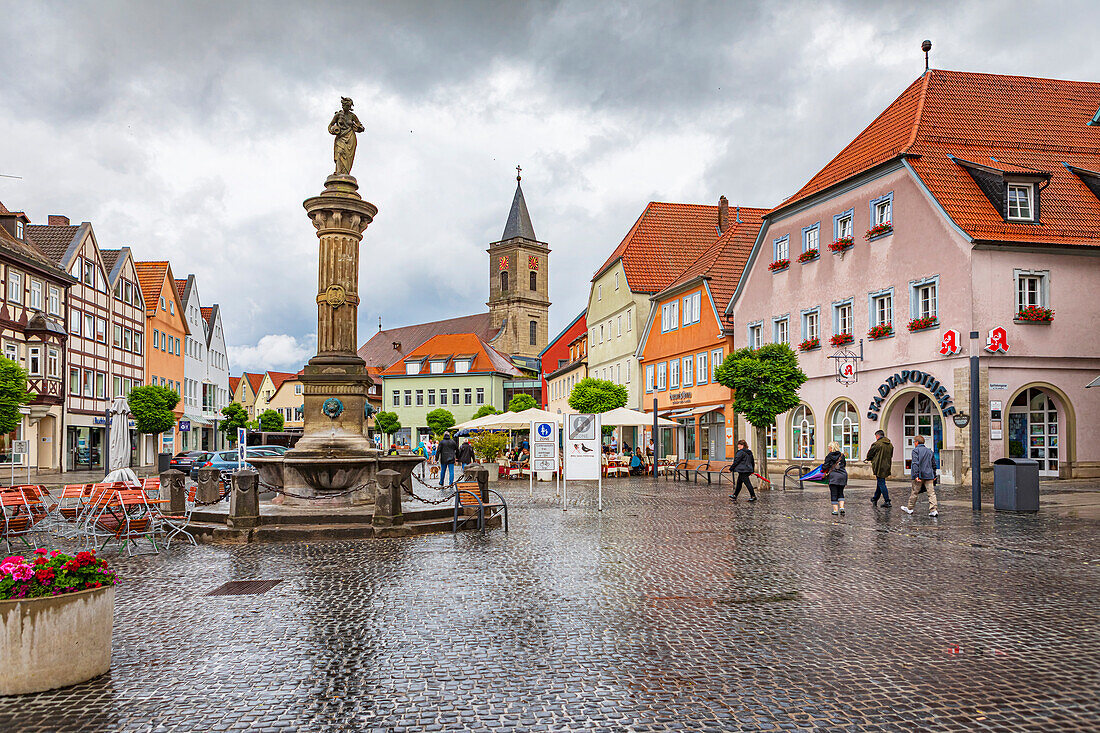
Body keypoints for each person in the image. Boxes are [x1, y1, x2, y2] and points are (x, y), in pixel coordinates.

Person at [902, 435, 939, 517]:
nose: (914, 443)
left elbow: (915, 463)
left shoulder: (915, 451)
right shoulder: (929, 451)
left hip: (920, 475)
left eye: (914, 442)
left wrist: (916, 475)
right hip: (929, 475)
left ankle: (910, 508)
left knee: (914, 492)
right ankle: (934, 510)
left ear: (917, 442)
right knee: (931, 493)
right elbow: (933, 464)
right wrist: (934, 475)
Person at [865, 429, 894, 507]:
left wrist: (869, 459)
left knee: (881, 483)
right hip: (886, 465)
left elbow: (870, 454)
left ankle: (887, 500)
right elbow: (891, 455)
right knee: (880, 482)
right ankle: (875, 498)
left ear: (877, 436)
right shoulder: (890, 444)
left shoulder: (877, 444)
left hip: (879, 466)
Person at [823, 441, 848, 515]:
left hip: (834, 476)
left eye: (829, 447)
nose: (828, 449)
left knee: (834, 493)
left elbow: (825, 466)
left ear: (831, 448)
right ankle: (842, 508)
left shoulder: (829, 456)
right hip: (843, 475)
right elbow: (844, 464)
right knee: (841, 492)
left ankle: (835, 510)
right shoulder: (842, 455)